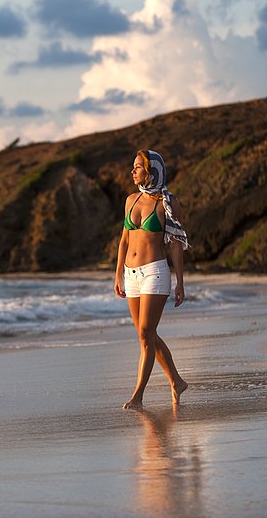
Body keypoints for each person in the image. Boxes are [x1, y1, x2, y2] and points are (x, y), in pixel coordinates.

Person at [114, 149, 189, 410]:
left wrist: (180, 282)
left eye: (137, 167)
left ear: (152, 171)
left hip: (155, 273)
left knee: (146, 334)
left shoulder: (168, 204)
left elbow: (176, 245)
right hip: (131, 275)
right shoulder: (130, 200)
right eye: (133, 167)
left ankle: (137, 396)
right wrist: (118, 275)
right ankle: (177, 381)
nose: (132, 171)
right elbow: (124, 240)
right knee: (146, 335)